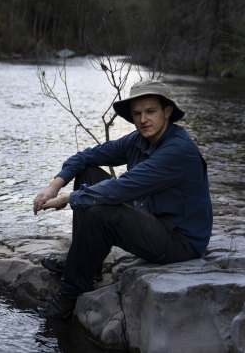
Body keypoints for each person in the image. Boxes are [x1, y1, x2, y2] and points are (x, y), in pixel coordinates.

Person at [32, 79, 213, 320]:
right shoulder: (137, 140)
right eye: (137, 113)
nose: (142, 119)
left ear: (167, 112)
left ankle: (69, 294)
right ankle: (89, 266)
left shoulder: (178, 150)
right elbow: (86, 156)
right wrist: (55, 185)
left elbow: (121, 189)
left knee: (100, 210)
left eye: (150, 112)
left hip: (180, 242)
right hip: (152, 220)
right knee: (88, 173)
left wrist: (67, 198)